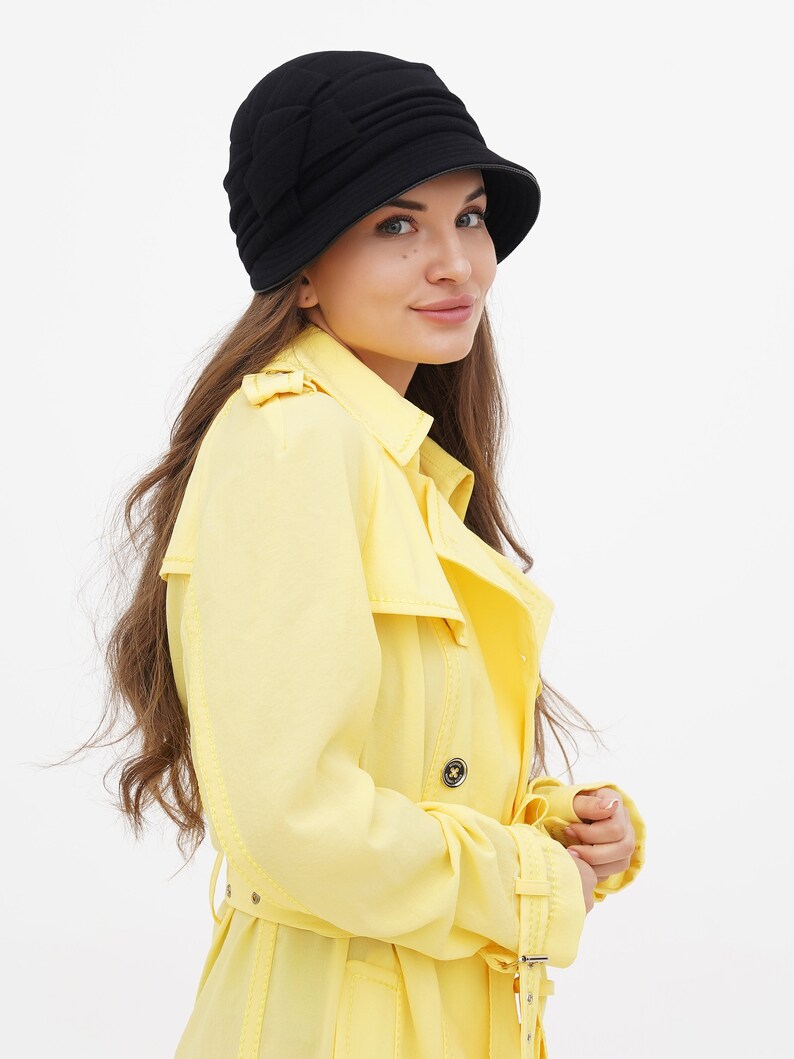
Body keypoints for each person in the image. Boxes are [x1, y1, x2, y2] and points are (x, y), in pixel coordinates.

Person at [97, 50, 646, 1058]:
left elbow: (396, 768)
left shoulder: (391, 459)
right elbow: (291, 826)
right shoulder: (292, 445)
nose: (457, 264)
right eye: (397, 226)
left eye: (468, 216)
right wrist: (530, 882)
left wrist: (551, 822)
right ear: (301, 269)